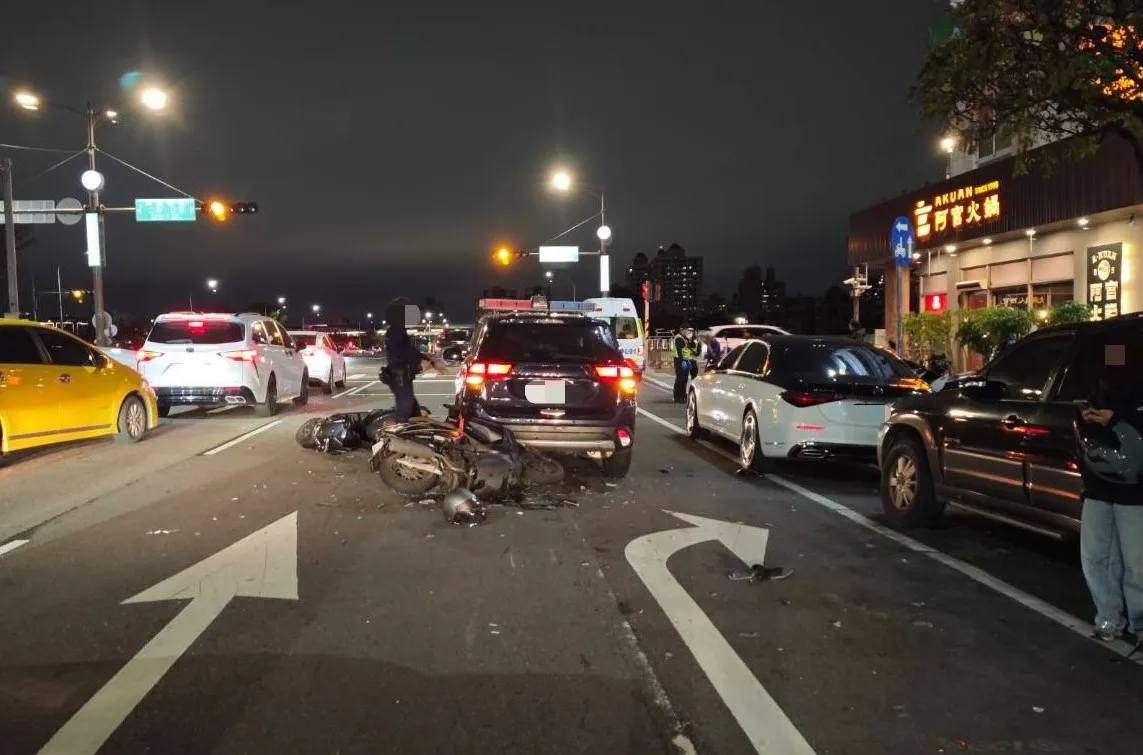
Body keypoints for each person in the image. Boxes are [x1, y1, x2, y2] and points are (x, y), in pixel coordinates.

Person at [1078, 340, 1143, 652]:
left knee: (1136, 563)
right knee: (1096, 556)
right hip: (1099, 483)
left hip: (1134, 488)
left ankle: (1139, 624)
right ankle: (1108, 617)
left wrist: (1115, 419)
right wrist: (1088, 418)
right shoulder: (1097, 386)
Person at [382, 298, 445, 422]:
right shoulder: (396, 331)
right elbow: (403, 351)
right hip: (399, 375)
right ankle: (397, 430)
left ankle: (416, 428)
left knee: (412, 407)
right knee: (405, 407)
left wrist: (431, 362)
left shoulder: (398, 330)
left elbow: (410, 351)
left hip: (401, 374)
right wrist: (421, 362)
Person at [671, 323, 700, 402]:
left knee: (684, 379)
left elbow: (691, 348)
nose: (688, 332)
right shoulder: (679, 338)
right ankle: (678, 397)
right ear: (682, 330)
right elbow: (680, 352)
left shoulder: (685, 338)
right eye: (686, 330)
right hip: (680, 360)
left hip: (685, 360)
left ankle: (682, 394)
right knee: (681, 379)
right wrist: (682, 361)